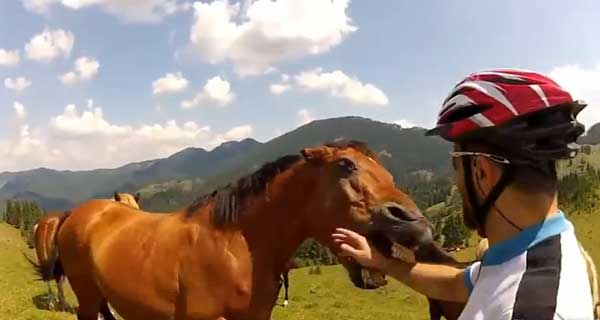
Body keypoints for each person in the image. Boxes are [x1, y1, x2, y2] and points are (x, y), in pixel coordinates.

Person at [333, 69, 595, 319]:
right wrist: (385, 263)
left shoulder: (528, 310)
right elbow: (459, 283)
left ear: (482, 170)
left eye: (456, 165)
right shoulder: (541, 248)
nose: (456, 181)